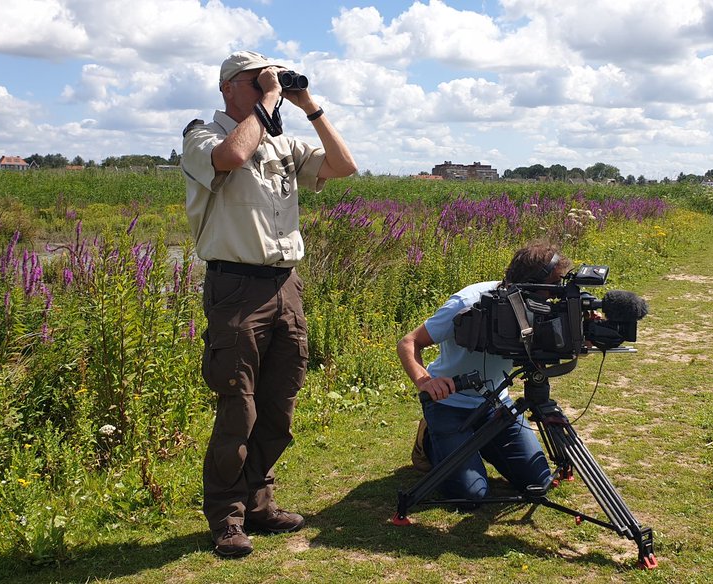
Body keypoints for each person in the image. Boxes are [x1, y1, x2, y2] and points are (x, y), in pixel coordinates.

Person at [181, 50, 357, 558]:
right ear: (228, 87)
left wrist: (308, 106)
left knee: (280, 403)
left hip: (286, 284)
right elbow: (233, 158)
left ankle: (259, 500)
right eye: (257, 81)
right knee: (238, 406)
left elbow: (344, 166)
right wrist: (270, 102)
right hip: (235, 287)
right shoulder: (202, 135)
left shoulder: (283, 139)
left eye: (270, 81)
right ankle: (227, 517)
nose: (266, 88)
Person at [396, 241, 571, 503]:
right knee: (470, 497)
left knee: (539, 482)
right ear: (529, 285)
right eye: (548, 291)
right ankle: (430, 442)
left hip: (496, 406)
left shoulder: (539, 306)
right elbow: (409, 342)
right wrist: (425, 382)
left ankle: (478, 444)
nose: (551, 298)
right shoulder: (469, 302)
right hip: (449, 404)